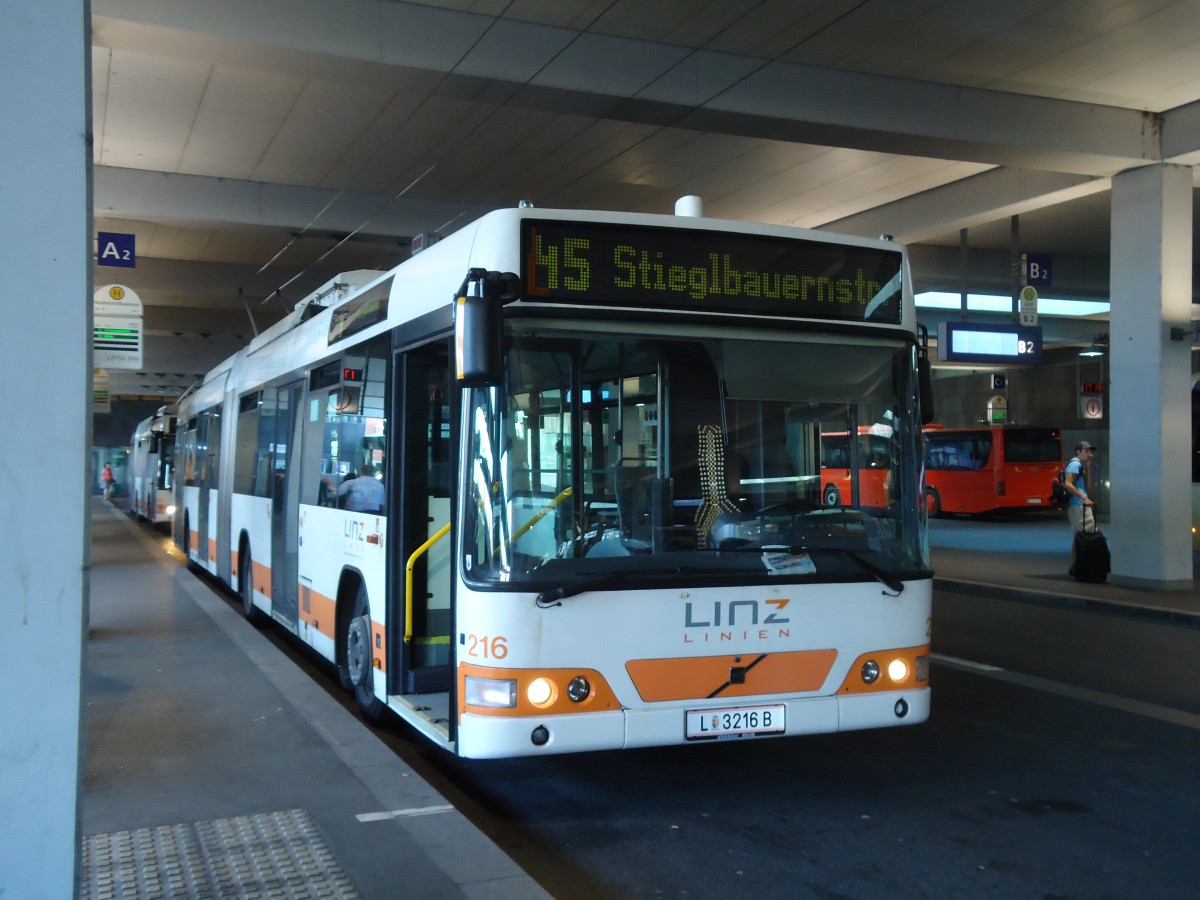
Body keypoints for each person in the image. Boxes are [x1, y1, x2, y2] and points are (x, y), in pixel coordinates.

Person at [1065, 440, 1096, 574]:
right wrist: (1084, 498)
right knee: (1084, 534)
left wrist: (1088, 467)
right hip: (1078, 505)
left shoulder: (1080, 466)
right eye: (1086, 451)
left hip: (1079, 504)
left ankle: (1077, 564)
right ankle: (1079, 564)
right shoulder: (1075, 464)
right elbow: (1068, 483)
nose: (1089, 454)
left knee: (1080, 535)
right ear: (1078, 451)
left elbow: (1088, 486)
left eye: (1090, 452)